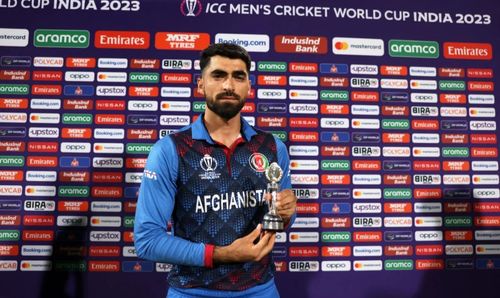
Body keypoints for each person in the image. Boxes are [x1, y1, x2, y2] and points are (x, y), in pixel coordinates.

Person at [134, 43, 297, 297]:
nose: (229, 85)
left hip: (260, 289)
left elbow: (281, 219)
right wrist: (221, 254)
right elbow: (147, 240)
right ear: (201, 85)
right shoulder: (170, 150)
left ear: (248, 87)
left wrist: (288, 211)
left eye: (238, 76)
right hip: (192, 291)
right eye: (218, 75)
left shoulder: (273, 147)